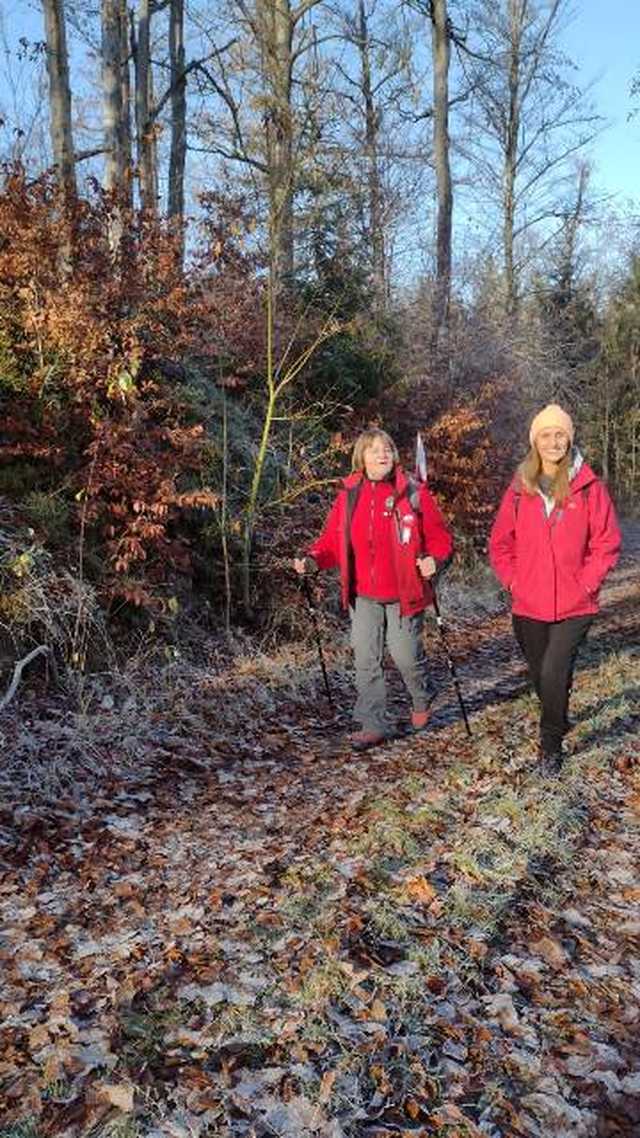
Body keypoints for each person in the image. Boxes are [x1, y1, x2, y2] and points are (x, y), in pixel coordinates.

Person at [294, 428, 453, 750]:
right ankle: (373, 724)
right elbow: (332, 542)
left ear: (394, 455)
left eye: (387, 449)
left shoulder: (412, 492)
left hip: (405, 593)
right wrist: (313, 560)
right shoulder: (349, 494)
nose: (382, 454)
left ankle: (421, 698)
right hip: (363, 595)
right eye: (373, 450)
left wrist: (435, 560)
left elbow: (441, 540)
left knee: (406, 656)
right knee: (366, 659)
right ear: (361, 457)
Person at [489, 404, 621, 772]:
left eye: (559, 434)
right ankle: (558, 714)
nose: (553, 442)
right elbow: (500, 543)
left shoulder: (589, 487)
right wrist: (514, 581)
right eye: (545, 435)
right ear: (535, 441)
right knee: (541, 674)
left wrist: (587, 583)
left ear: (570, 438)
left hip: (576, 604)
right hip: (528, 602)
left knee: (552, 670)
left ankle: (551, 746)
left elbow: (606, 542)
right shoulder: (519, 488)